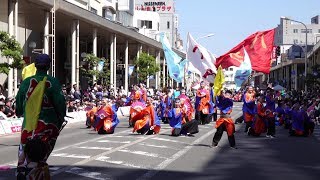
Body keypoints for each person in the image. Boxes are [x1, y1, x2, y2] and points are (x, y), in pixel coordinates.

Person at [15, 54, 66, 179]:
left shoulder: (26, 82)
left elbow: (18, 108)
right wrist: (61, 117)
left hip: (28, 127)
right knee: (40, 158)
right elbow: (60, 104)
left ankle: (23, 172)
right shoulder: (53, 82)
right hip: (48, 128)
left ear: (35, 66)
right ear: (48, 66)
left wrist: (21, 113)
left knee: (24, 157)